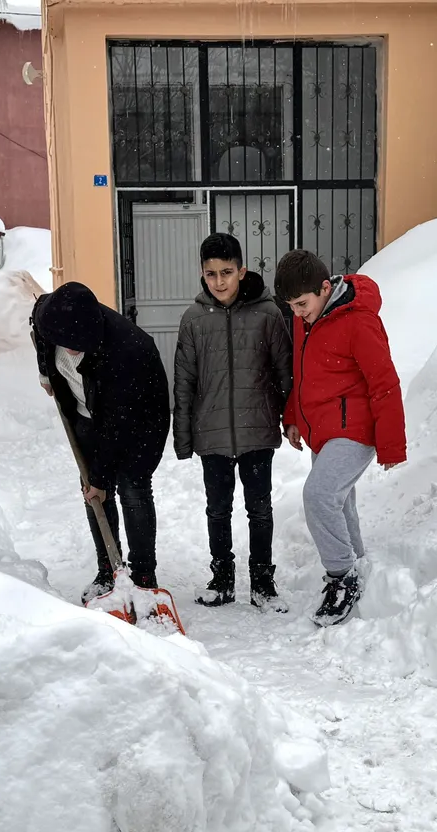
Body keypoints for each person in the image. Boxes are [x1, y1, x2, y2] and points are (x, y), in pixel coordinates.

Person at [274, 250, 406, 627]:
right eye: (291, 306)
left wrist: (391, 444)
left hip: (355, 429)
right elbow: (304, 374)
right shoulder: (308, 318)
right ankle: (359, 563)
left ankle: (341, 577)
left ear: (325, 288)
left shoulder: (359, 321)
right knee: (340, 500)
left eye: (302, 304)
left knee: (318, 496)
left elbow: (384, 383)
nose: (297, 313)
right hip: (324, 430)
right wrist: (294, 417)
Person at [174, 232, 294, 611]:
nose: (220, 281)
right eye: (211, 274)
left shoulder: (268, 313)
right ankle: (222, 578)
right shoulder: (193, 319)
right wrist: (183, 435)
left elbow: (285, 371)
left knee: (259, 509)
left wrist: (290, 418)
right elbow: (184, 381)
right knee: (217, 509)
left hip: (257, 428)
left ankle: (262, 583)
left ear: (242, 271)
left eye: (227, 272)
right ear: (202, 274)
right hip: (212, 434)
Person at [31, 281, 170, 600]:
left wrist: (100, 477)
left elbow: (118, 424)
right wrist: (44, 373)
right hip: (87, 413)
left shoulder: (127, 350)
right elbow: (39, 335)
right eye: (62, 342)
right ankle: (108, 571)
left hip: (140, 421)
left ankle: (143, 577)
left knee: (132, 488)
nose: (68, 350)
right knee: (95, 495)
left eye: (76, 345)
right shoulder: (49, 316)